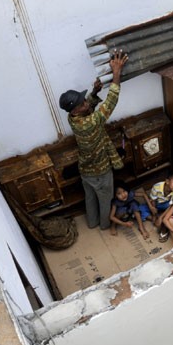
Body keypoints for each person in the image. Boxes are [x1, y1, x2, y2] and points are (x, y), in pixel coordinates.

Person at [59, 49, 128, 230]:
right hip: (100, 172)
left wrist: (94, 92)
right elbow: (111, 102)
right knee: (105, 200)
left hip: (86, 170)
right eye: (81, 102)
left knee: (90, 198)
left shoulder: (72, 118)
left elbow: (87, 107)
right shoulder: (91, 122)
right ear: (75, 110)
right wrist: (116, 73)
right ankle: (104, 225)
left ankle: (92, 223)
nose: (85, 103)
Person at [141, 174, 173, 242]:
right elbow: (153, 200)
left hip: (167, 205)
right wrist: (154, 214)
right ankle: (154, 218)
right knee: (141, 208)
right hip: (157, 203)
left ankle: (163, 225)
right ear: (167, 181)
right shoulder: (157, 187)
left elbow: (170, 206)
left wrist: (161, 218)